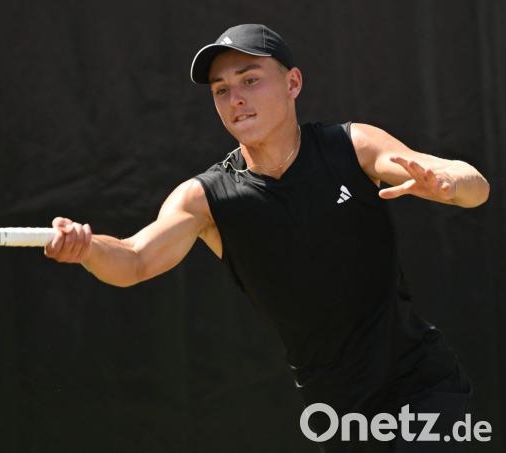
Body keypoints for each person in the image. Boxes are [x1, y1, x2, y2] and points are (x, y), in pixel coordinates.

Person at [44, 24, 490, 452]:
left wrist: (450, 184)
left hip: (422, 385)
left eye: (250, 80)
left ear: (292, 83)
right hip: (339, 414)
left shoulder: (352, 146)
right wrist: (88, 248)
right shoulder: (206, 199)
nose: (235, 99)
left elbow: (470, 184)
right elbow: (134, 259)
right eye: (221, 90)